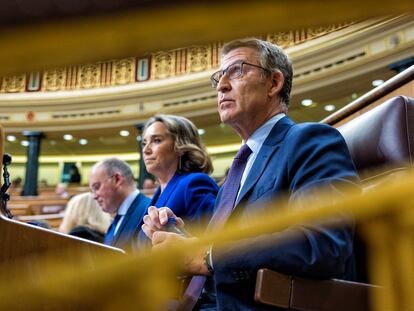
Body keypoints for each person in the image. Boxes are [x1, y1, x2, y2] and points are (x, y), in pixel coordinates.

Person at [142, 38, 360, 310]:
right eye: (219, 77)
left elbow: (323, 245)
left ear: (274, 83)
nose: (221, 85)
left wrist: (207, 256)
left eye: (237, 71)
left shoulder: (310, 140)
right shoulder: (236, 172)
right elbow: (218, 254)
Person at [137, 115, 218, 246]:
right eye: (144, 143)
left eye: (156, 140)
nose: (146, 150)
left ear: (180, 145)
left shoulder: (195, 183)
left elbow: (217, 243)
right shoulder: (158, 193)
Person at [89, 158, 150, 250]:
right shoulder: (117, 218)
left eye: (96, 187)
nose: (94, 196)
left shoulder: (148, 211)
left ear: (117, 179)